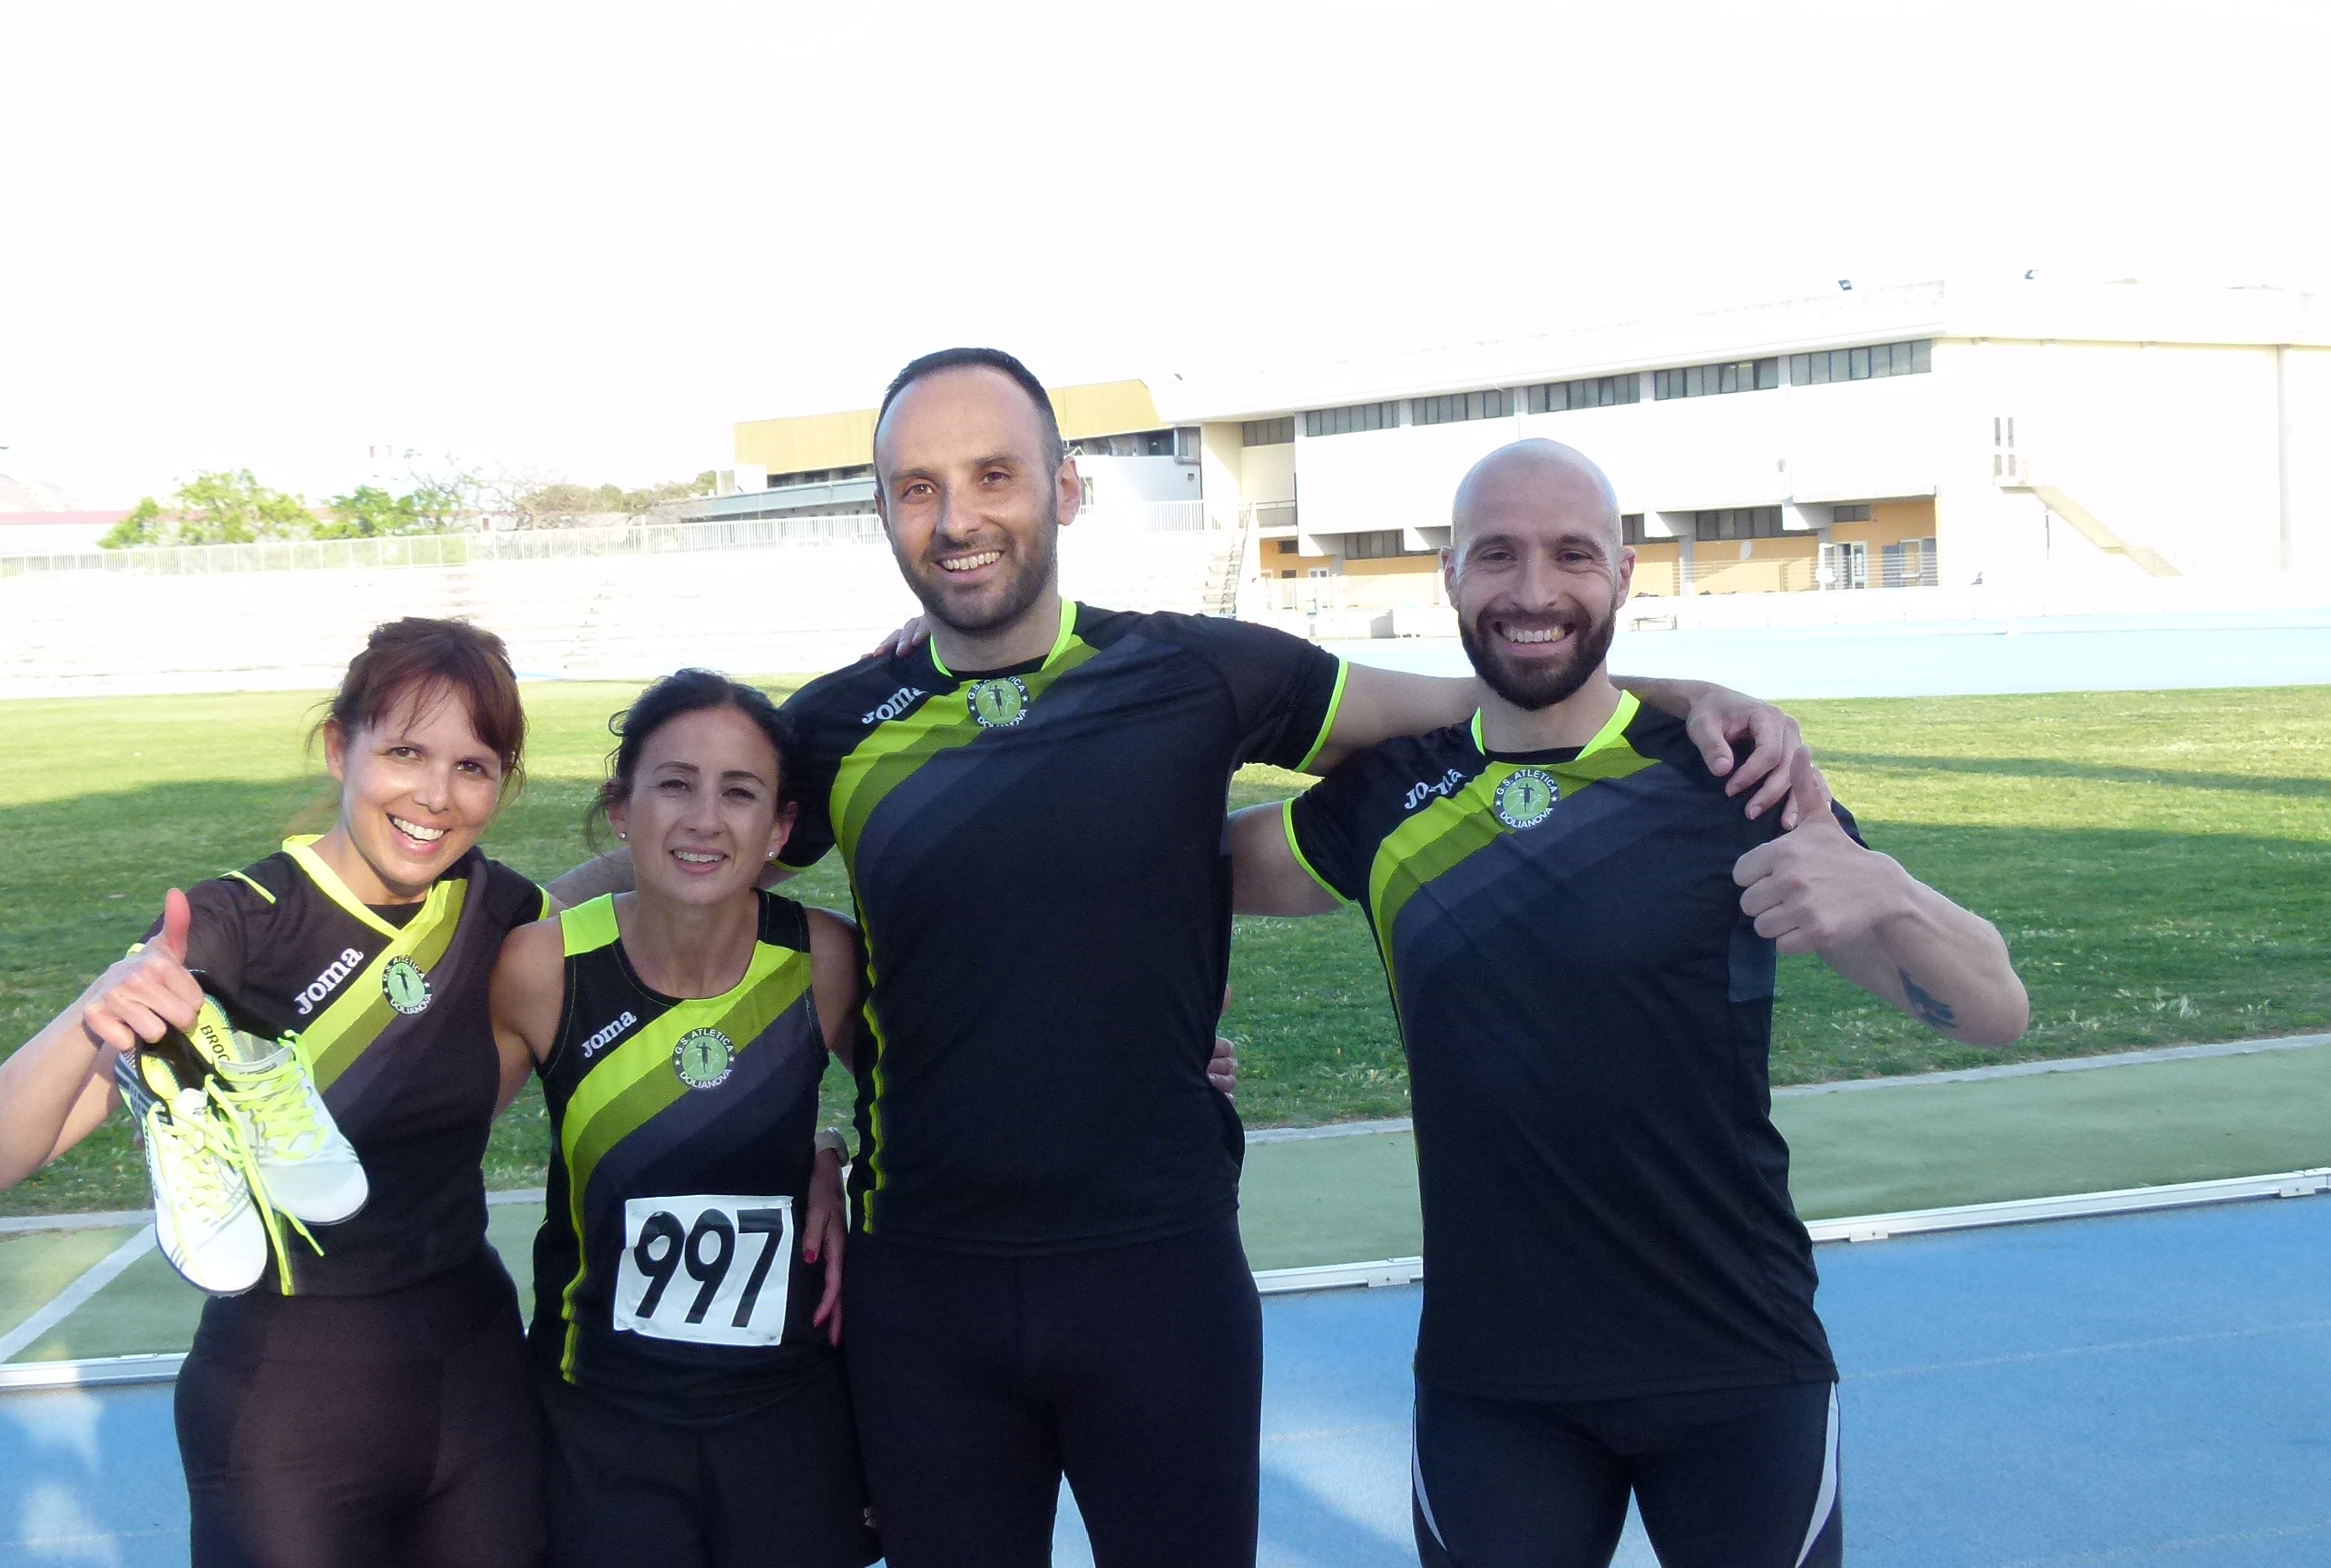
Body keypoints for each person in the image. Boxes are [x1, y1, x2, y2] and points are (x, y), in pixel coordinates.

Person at [553, 349, 1818, 1568]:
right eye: (918, 487)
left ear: (1065, 488)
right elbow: (681, 851)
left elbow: (1484, 703)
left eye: (993, 475)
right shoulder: (838, 722)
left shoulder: (1200, 673)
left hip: (1158, 1280)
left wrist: (1684, 696)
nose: (957, 519)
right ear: (882, 509)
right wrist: (498, 930)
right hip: (924, 1289)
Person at [1227, 439, 2029, 1568]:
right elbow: (1165, 871)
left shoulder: (1731, 778)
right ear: (1449, 575)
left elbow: (1994, 1009)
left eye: (1572, 555)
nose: (1535, 590)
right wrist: (1162, 1029)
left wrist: (1888, 890)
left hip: (1735, 1362)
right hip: (1494, 1380)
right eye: (1496, 555)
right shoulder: (1391, 796)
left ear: (1624, 574)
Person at [0, 617, 555, 1568]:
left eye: (473, 767)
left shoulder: (503, 908)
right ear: (339, 747)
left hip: (478, 1385)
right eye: (405, 753)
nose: (436, 797)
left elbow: (650, 908)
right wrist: (93, 1007)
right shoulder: (234, 925)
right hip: (289, 1418)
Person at [490, 671, 877, 1568]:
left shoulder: (821, 960)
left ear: (779, 828)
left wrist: (830, 1150)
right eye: (674, 784)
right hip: (599, 1414)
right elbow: (424, 1143)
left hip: (789, 1413)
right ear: (621, 810)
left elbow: (936, 1110)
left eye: (739, 792)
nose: (704, 820)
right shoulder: (543, 969)